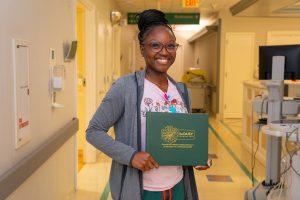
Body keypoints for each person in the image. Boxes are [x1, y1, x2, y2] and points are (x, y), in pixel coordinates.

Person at [86, 9, 211, 200]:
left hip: (177, 187)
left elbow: (182, 138)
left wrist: (197, 156)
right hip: (141, 190)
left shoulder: (182, 91)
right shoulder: (125, 87)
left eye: (171, 46)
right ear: (142, 49)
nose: (164, 52)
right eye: (155, 45)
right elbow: (93, 131)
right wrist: (131, 156)